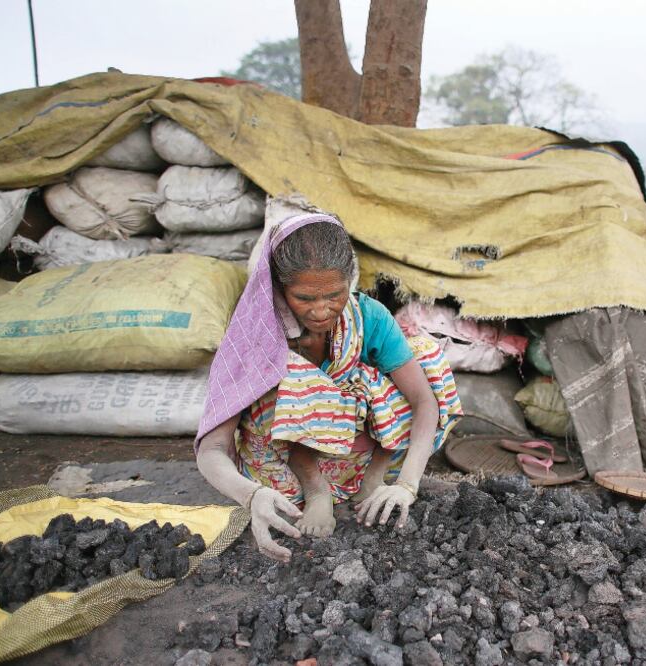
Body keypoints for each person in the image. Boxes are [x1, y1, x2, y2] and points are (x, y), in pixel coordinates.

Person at [195, 213, 462, 561]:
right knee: (293, 375)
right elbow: (212, 449)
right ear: (279, 288)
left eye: (334, 295)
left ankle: (373, 480)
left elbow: (424, 402)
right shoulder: (257, 333)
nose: (321, 311)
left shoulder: (368, 317)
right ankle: (317, 490)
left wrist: (408, 486)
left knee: (425, 359)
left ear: (349, 282)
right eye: (305, 298)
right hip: (286, 463)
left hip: (366, 453)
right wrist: (250, 496)